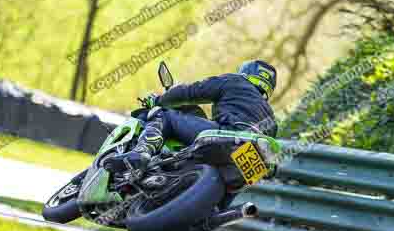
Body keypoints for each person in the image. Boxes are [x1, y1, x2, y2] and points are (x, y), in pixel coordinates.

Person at [106, 60, 278, 173]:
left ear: (245, 73)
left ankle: (142, 152)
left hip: (229, 135)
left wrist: (159, 100)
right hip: (251, 156)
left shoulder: (234, 81)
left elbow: (191, 92)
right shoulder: (271, 118)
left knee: (165, 116)